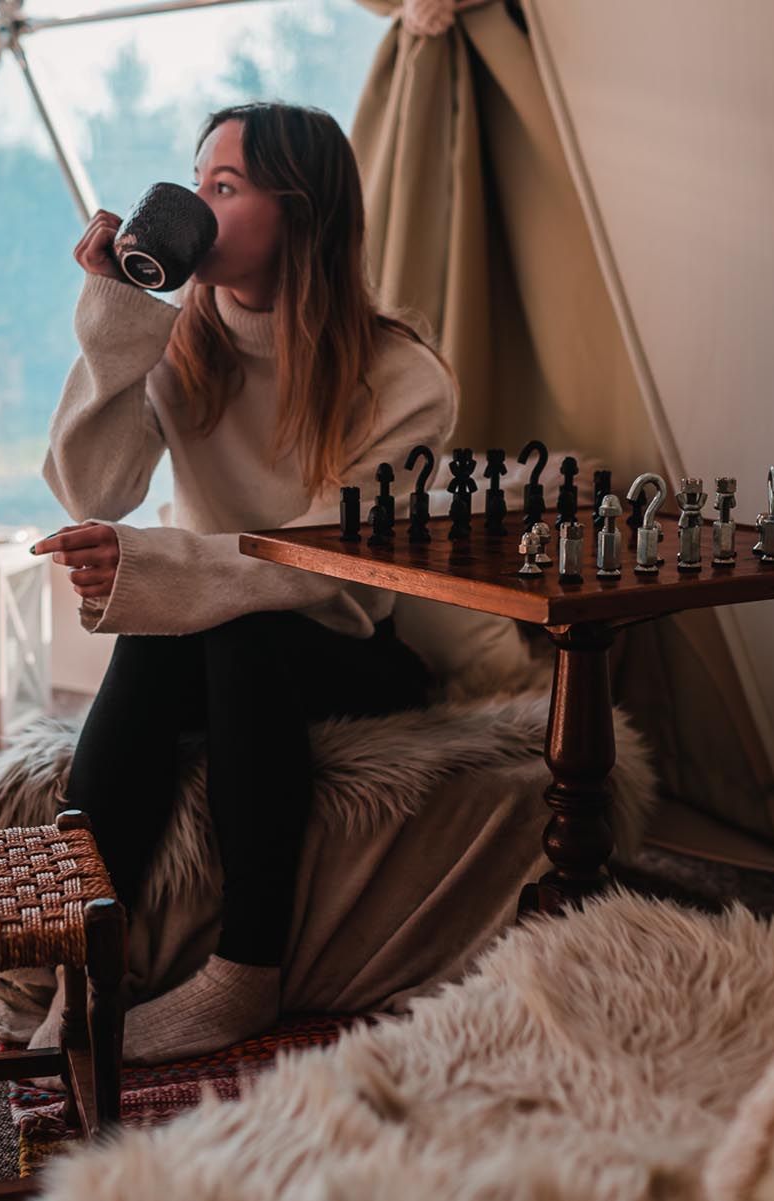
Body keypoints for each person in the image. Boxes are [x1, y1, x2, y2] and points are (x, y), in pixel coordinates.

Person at [29, 101, 458, 1065]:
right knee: (170, 630)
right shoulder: (180, 343)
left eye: (224, 187)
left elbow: (331, 561)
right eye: (195, 181)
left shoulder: (403, 375)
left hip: (347, 642)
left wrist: (157, 566)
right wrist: (115, 317)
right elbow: (97, 488)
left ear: (299, 213)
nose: (197, 204)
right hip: (209, 633)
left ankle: (244, 972)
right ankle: (84, 964)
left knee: (234, 627)